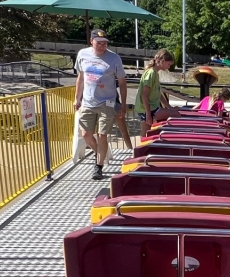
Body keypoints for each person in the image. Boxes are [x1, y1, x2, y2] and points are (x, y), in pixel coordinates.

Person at [74, 29, 127, 180]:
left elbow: (122, 82)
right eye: (99, 43)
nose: (102, 46)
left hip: (107, 102)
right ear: (91, 41)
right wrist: (76, 99)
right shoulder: (83, 54)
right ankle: (100, 153)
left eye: (105, 43)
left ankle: (98, 167)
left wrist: (122, 103)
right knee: (86, 134)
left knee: (102, 135)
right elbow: (80, 78)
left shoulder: (114, 58)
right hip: (88, 102)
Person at [135, 49, 175, 130]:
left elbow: (158, 94)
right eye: (168, 64)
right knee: (176, 114)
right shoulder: (151, 73)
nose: (169, 67)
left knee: (146, 134)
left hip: (151, 108)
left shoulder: (155, 73)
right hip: (147, 109)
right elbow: (144, 95)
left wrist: (169, 107)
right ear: (162, 61)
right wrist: (148, 114)